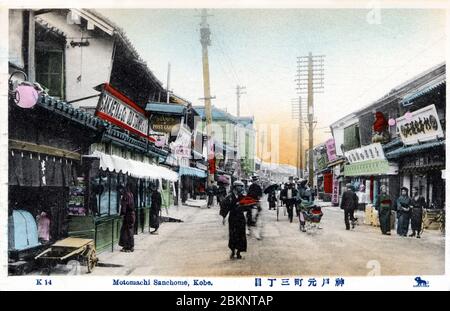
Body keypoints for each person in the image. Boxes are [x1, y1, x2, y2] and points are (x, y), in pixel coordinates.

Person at [220, 181, 247, 259]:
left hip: (241, 218)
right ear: (235, 187)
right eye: (240, 186)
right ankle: (232, 251)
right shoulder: (229, 197)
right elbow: (225, 207)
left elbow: (247, 207)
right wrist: (223, 217)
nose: (241, 188)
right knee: (232, 235)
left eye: (242, 187)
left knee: (241, 235)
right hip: (233, 218)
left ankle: (239, 252)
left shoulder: (242, 197)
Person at [119, 182, 135, 252]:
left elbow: (124, 206)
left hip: (128, 216)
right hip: (131, 215)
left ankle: (128, 246)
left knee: (126, 231)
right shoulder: (130, 194)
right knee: (129, 231)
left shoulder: (125, 195)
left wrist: (122, 214)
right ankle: (129, 246)